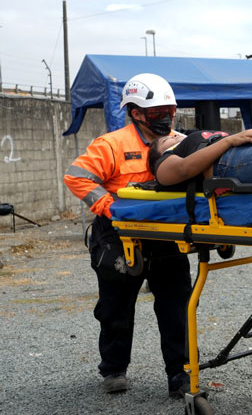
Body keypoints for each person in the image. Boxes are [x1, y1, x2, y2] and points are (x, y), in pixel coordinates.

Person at [63, 73, 191, 398]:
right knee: (116, 307)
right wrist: (109, 207)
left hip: (166, 236)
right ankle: (114, 369)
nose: (166, 118)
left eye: (170, 111)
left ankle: (180, 375)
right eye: (157, 112)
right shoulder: (112, 144)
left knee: (176, 307)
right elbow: (76, 176)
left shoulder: (181, 141)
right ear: (135, 113)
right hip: (118, 237)